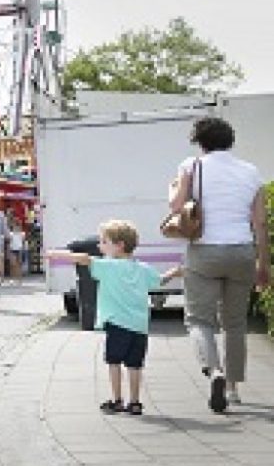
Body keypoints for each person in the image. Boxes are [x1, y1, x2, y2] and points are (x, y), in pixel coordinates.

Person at [168, 117, 270, 412]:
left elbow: (176, 207)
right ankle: (233, 388)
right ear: (230, 140)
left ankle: (214, 371)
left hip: (205, 251)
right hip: (242, 251)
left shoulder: (192, 166)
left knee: (199, 319)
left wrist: (174, 186)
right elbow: (260, 222)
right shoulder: (251, 172)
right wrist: (264, 263)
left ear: (201, 143)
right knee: (235, 323)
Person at [48, 221, 162, 415]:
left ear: (119, 245)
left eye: (104, 241)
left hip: (117, 323)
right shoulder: (144, 268)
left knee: (114, 362)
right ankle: (135, 402)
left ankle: (117, 400)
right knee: (135, 365)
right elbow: (158, 281)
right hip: (140, 326)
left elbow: (84, 259)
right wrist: (177, 272)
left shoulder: (108, 266)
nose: (100, 246)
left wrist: (56, 254)